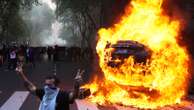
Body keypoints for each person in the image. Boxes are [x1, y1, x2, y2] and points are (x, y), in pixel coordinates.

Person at [16, 65, 84, 110]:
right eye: (46, 85)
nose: (47, 87)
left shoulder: (62, 95)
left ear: (55, 85)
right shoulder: (43, 92)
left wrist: (77, 84)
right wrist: (21, 74)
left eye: (50, 85)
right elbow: (30, 87)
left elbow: (74, 95)